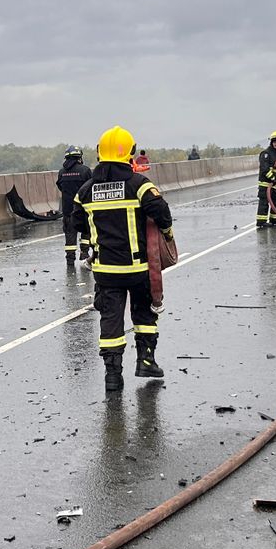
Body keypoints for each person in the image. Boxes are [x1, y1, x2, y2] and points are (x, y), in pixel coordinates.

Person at [74, 126, 175, 392]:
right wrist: (166, 233)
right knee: (143, 314)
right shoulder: (139, 185)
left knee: (110, 320)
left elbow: (78, 223)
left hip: (106, 270)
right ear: (129, 153)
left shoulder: (85, 191)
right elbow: (162, 213)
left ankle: (112, 376)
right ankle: (146, 361)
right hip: (138, 267)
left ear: (99, 154)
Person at [55, 145, 92, 267]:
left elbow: (60, 186)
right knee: (86, 231)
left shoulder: (61, 172)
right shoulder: (85, 171)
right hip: (83, 208)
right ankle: (84, 253)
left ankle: (70, 259)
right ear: (79, 157)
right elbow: (91, 187)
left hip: (68, 210)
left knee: (70, 235)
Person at [256, 131, 276, 227]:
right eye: (274, 141)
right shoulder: (266, 154)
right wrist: (273, 178)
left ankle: (274, 219)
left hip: (275, 184)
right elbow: (264, 169)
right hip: (266, 184)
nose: (275, 143)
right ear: (271, 142)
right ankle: (261, 222)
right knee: (264, 203)